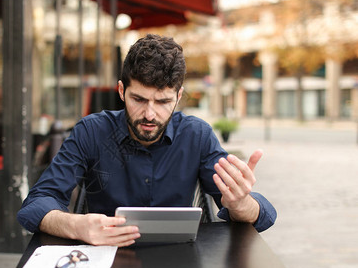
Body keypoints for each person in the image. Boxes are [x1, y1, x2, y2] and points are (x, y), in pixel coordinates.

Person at [18, 34, 276, 247]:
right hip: (106, 261)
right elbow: (37, 203)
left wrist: (241, 204)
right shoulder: (91, 131)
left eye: (163, 102)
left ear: (178, 96)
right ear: (121, 91)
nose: (150, 115)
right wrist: (76, 225)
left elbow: (262, 216)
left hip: (180, 264)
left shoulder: (196, 136)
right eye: (139, 100)